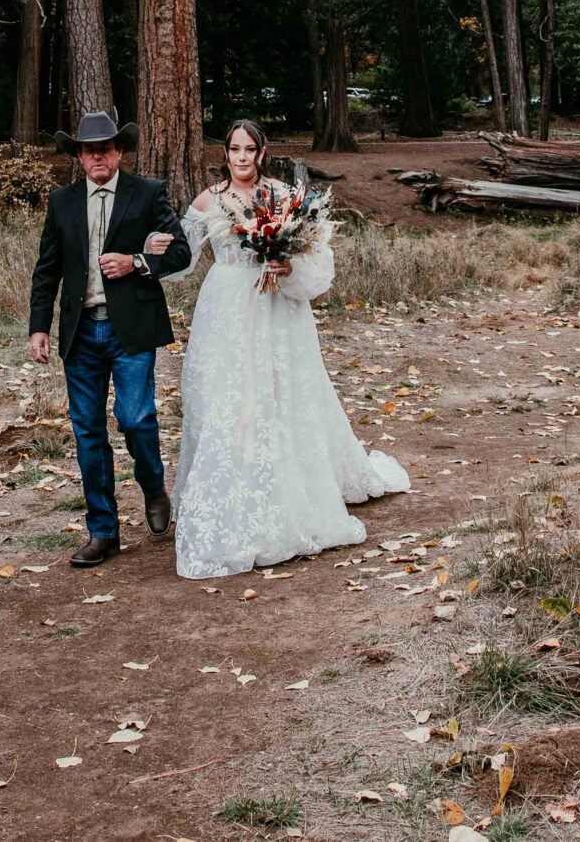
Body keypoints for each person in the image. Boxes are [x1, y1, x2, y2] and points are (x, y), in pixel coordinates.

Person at [155, 120, 408, 579]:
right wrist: (149, 251)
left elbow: (317, 262)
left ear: (262, 151)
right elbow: (181, 259)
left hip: (277, 310)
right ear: (225, 153)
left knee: (280, 392)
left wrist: (286, 263)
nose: (242, 158)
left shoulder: (284, 196)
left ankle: (291, 490)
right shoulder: (207, 201)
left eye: (250, 149)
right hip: (227, 309)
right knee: (228, 398)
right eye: (234, 149)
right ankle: (231, 487)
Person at [27, 111, 193, 569]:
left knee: (136, 417)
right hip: (80, 332)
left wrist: (137, 262)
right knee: (88, 433)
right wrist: (38, 327)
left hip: (131, 327)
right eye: (88, 148)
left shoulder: (148, 194)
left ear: (120, 151)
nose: (97, 154)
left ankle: (153, 486)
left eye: (105, 147)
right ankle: (103, 531)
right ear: (79, 157)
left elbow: (180, 252)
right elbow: (47, 270)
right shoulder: (61, 202)